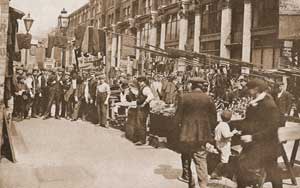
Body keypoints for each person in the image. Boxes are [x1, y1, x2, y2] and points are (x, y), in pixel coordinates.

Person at [237, 79, 283, 188]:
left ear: (256, 89)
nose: (247, 91)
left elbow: (272, 128)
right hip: (261, 145)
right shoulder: (258, 102)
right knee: (272, 170)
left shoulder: (268, 104)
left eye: (249, 88)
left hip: (264, 145)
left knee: (242, 167)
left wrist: (252, 137)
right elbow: (252, 122)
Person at [175, 78, 217, 188]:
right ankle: (203, 185)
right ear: (201, 86)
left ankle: (190, 182)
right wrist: (209, 131)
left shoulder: (184, 97)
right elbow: (214, 119)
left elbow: (177, 118)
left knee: (187, 158)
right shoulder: (208, 98)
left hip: (186, 135)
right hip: (202, 136)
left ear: (192, 85)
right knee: (201, 160)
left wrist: (177, 131)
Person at [211, 110, 240, 179]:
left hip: (219, 142)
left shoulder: (220, 124)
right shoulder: (225, 125)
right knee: (224, 160)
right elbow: (226, 135)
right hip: (223, 144)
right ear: (229, 119)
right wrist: (233, 132)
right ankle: (215, 173)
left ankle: (225, 172)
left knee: (226, 157)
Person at [135, 76, 154, 145]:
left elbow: (151, 96)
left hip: (143, 108)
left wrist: (145, 103)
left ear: (144, 82)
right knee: (140, 123)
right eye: (139, 82)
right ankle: (140, 139)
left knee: (142, 123)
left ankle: (142, 140)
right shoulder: (142, 88)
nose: (139, 83)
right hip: (140, 107)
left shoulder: (146, 88)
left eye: (140, 82)